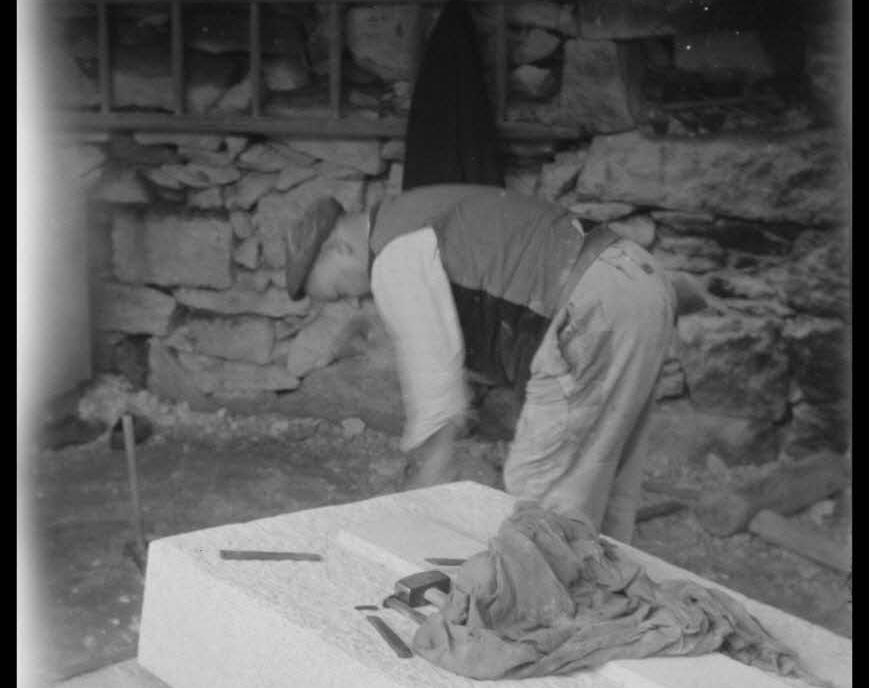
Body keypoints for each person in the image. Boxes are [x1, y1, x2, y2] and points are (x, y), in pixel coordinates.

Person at [286, 184, 692, 543]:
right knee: (606, 475)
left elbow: (435, 383)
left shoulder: (394, 253)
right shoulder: (416, 213)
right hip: (636, 280)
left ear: (338, 248)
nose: (356, 302)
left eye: (340, 292)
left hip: (592, 302)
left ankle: (544, 615)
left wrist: (424, 482)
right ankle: (603, 592)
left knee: (539, 487)